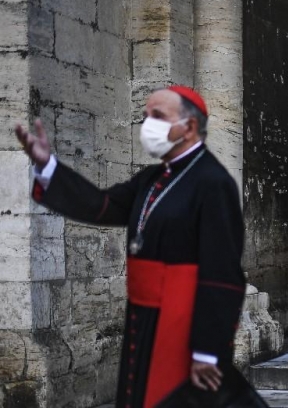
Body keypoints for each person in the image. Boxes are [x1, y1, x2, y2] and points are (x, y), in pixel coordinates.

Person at [15, 87, 247, 408]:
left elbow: (222, 276)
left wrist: (207, 350)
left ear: (190, 127)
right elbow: (103, 205)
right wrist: (48, 167)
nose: (147, 125)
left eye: (158, 116)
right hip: (144, 315)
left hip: (182, 324)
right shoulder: (152, 177)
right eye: (145, 116)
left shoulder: (214, 182)